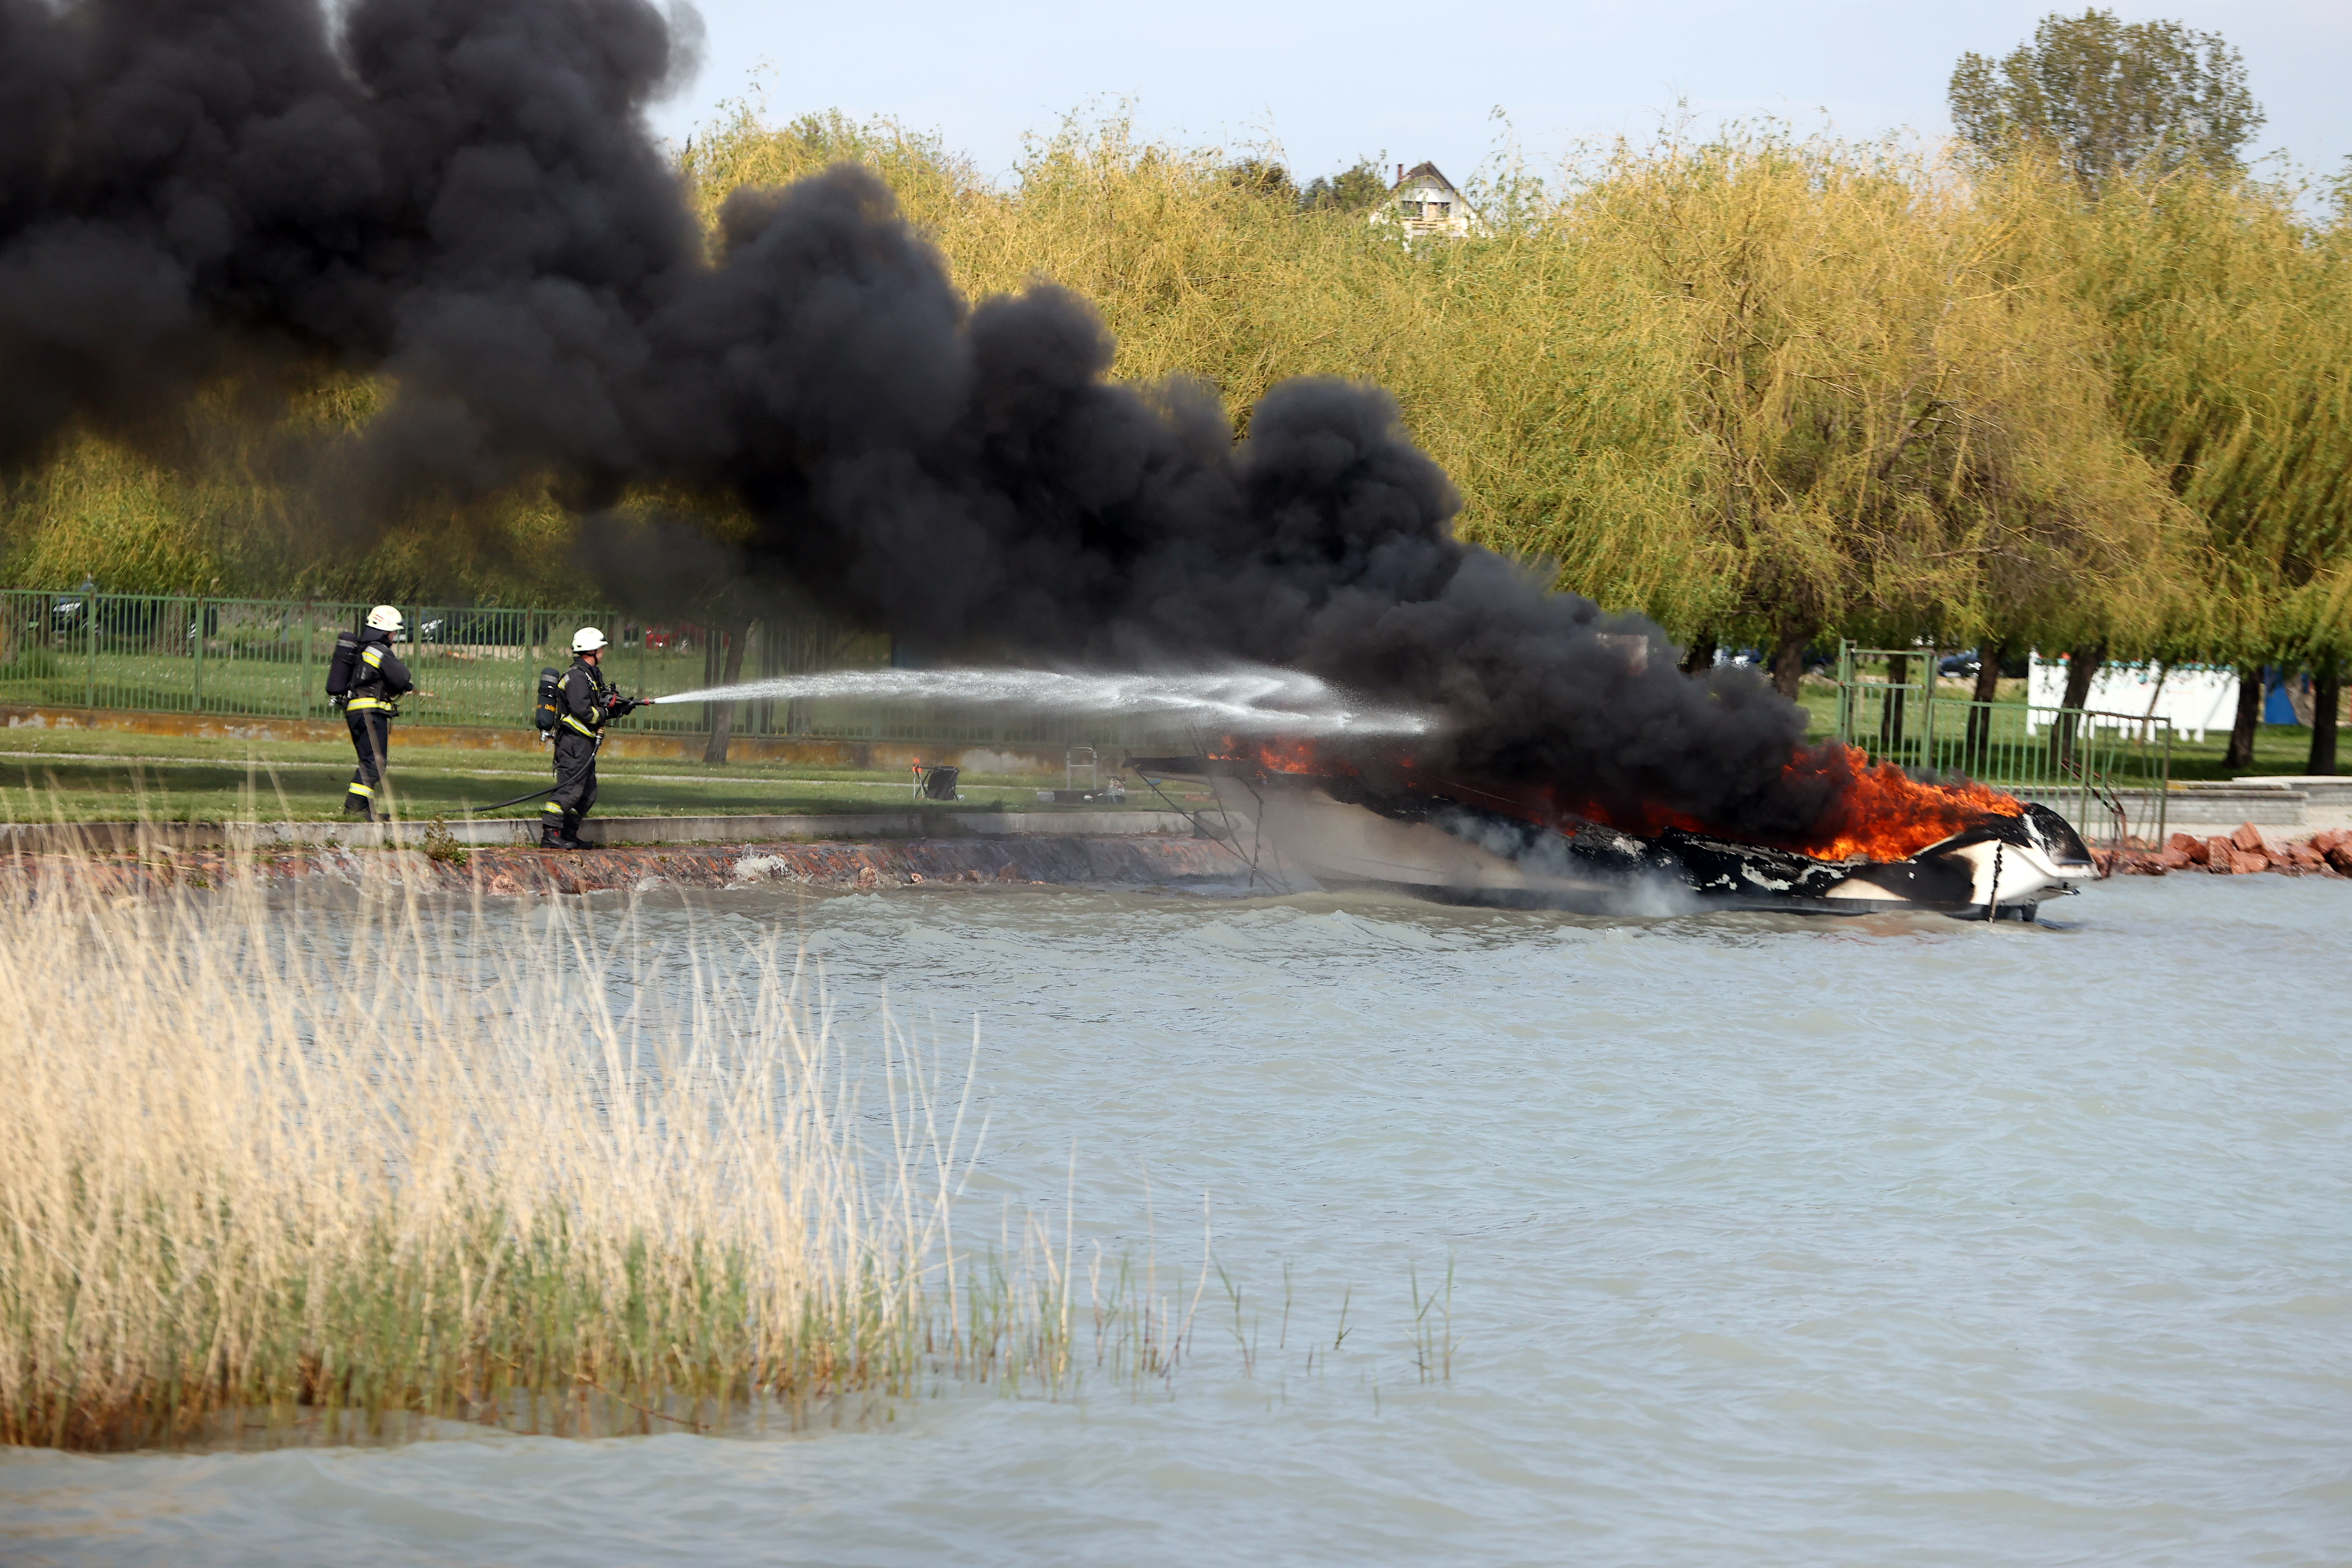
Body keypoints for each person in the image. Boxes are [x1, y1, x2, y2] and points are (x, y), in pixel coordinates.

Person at [542, 626, 645, 848]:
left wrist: (623, 707)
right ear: (592, 650)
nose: (603, 652)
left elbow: (599, 705)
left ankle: (568, 834)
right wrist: (607, 712)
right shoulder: (577, 677)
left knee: (588, 793)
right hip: (573, 743)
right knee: (569, 790)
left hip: (584, 744)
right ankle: (551, 835)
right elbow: (585, 711)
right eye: (601, 648)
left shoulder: (590, 676)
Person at [341, 605, 414, 821]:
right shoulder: (377, 650)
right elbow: (401, 677)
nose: (394, 635)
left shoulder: (363, 648)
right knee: (375, 763)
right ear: (386, 631)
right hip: (370, 713)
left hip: (357, 711)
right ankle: (354, 808)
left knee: (371, 762)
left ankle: (362, 810)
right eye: (393, 631)